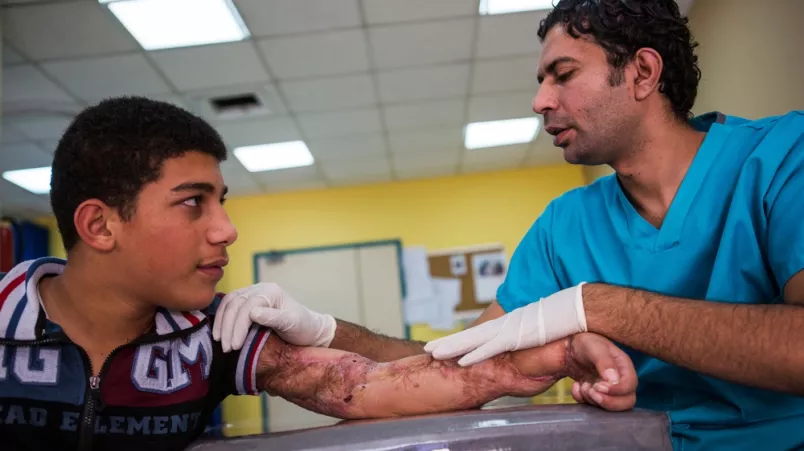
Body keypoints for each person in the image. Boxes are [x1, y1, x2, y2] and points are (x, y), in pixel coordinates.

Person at [213, 1, 804, 450]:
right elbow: (454, 361)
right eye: (541, 81)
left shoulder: (781, 159)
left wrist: (600, 306)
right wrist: (319, 330)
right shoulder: (566, 224)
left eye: (562, 74)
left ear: (643, 73)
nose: (540, 100)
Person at [0, 96, 638, 451]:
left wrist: (553, 355)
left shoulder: (214, 335)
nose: (225, 229)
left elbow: (375, 388)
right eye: (193, 202)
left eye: (223, 202)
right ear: (100, 225)